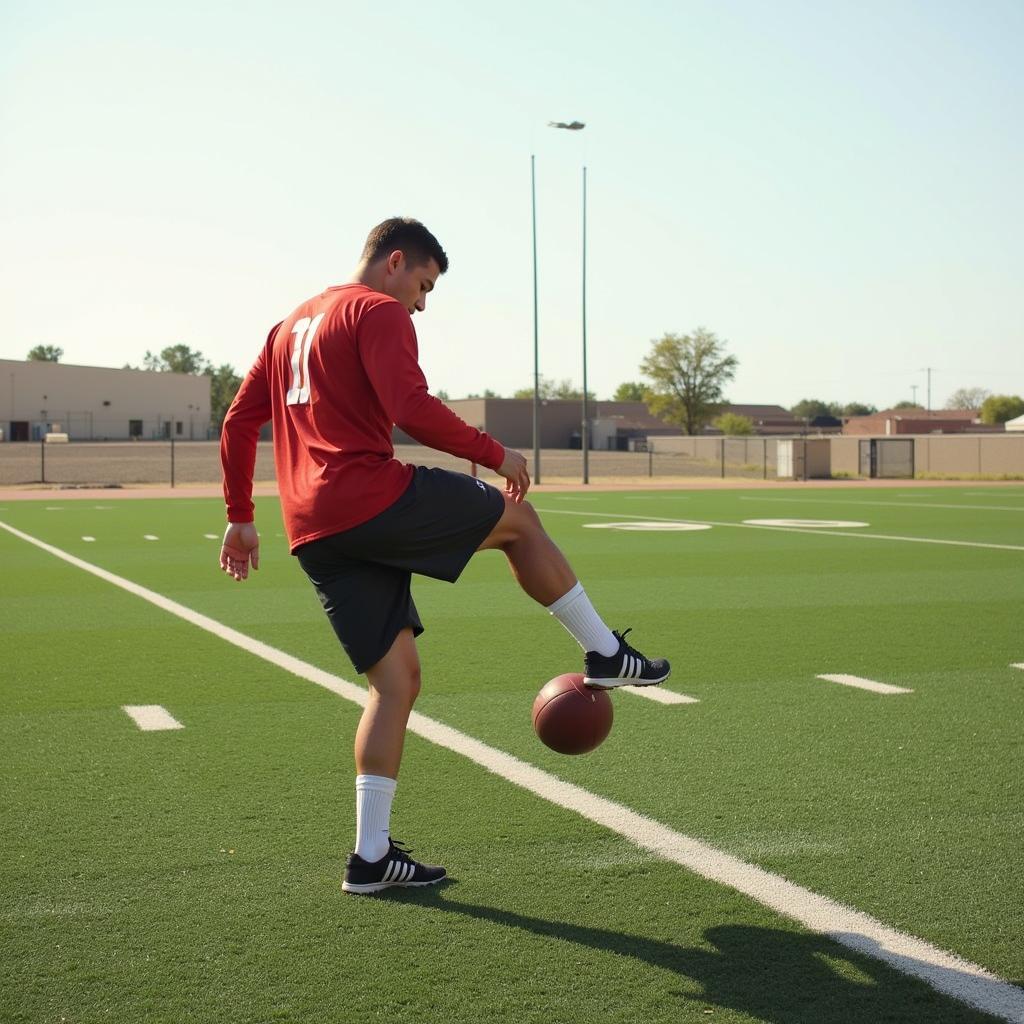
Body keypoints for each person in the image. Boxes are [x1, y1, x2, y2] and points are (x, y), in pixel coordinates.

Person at [218, 217, 670, 895]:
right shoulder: (376, 310)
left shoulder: (287, 328)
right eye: (423, 286)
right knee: (518, 519)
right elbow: (411, 405)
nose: (422, 303)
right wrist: (495, 453)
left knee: (394, 683)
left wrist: (239, 519)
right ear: (395, 262)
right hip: (367, 494)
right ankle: (606, 651)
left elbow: (236, 421)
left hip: (313, 528)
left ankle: (371, 857)